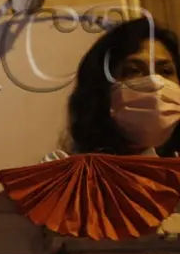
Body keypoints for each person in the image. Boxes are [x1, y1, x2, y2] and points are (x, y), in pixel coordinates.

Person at [43, 17, 180, 161]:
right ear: (102, 92)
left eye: (166, 71)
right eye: (133, 70)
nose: (155, 83)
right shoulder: (75, 177)